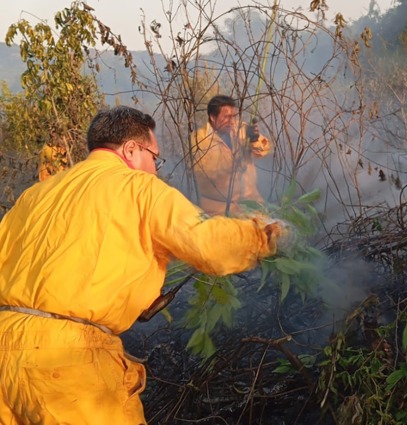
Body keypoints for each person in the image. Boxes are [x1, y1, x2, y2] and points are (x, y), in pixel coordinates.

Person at [0, 106, 287, 424]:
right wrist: (265, 235)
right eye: (155, 157)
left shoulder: (36, 195)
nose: (155, 169)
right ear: (131, 149)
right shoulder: (139, 188)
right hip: (66, 365)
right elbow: (206, 243)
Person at [191, 95, 272, 216]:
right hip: (219, 210)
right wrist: (235, 162)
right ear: (213, 117)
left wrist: (254, 139)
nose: (232, 121)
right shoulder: (199, 139)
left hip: (252, 203)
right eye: (227, 117)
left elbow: (263, 150)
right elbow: (207, 172)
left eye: (234, 116)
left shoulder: (240, 129)